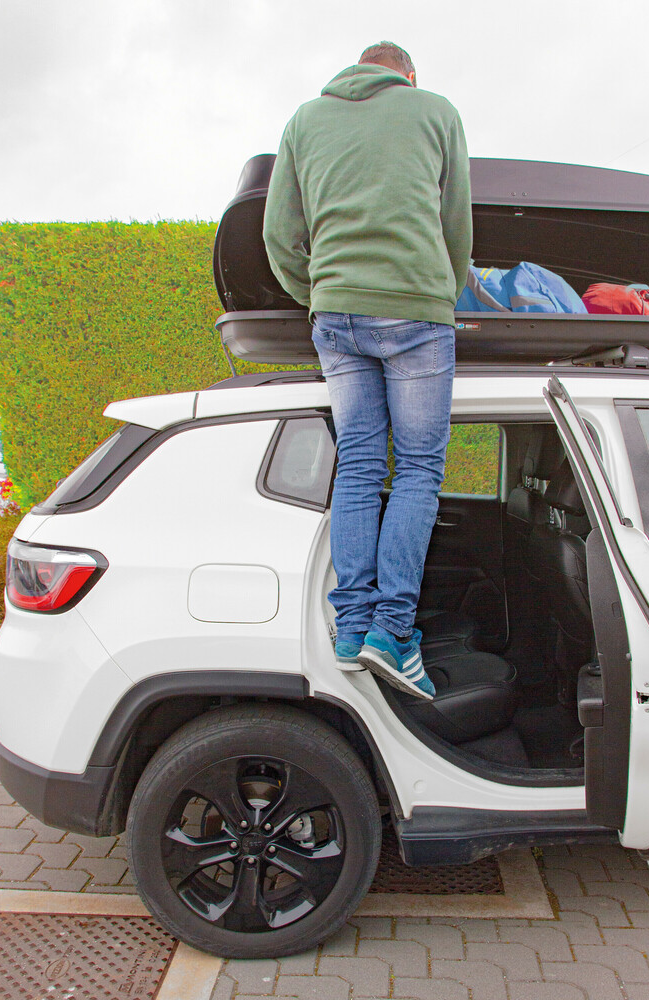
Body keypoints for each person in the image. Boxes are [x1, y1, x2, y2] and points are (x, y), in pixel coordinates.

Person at [263, 41, 472, 700]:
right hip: (416, 311)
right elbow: (456, 226)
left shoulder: (303, 121)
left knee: (358, 463)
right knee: (418, 468)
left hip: (336, 315)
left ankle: (352, 628)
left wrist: (320, 292)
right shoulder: (436, 111)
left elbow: (277, 236)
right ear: (408, 76)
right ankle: (393, 633)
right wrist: (442, 292)